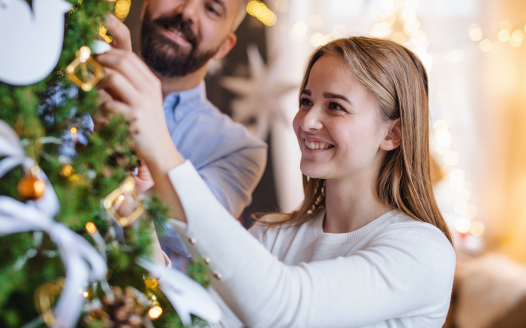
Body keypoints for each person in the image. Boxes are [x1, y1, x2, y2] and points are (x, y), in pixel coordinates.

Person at [98, 34, 457, 327]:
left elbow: (282, 308)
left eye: (335, 106)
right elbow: (196, 321)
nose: (306, 121)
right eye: (306, 101)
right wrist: (136, 221)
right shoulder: (274, 236)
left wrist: (162, 149)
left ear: (393, 134)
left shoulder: (423, 250)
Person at [86, 0, 267, 270]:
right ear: (148, 2)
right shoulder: (81, 75)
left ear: (225, 46)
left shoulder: (241, 149)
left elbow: (190, 235)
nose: (186, 12)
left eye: (211, 9)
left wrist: (121, 140)